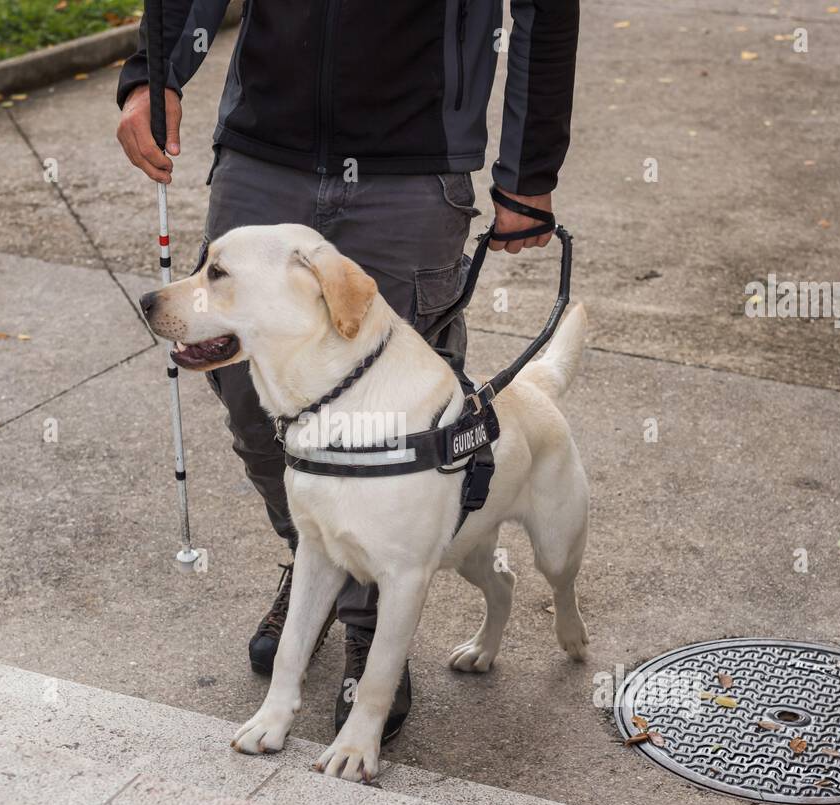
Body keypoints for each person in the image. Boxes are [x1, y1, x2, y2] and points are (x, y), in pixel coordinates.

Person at [117, 0, 579, 742]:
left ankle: (374, 627)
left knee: (405, 430)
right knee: (252, 402)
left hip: (413, 159)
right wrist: (154, 71)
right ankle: (318, 555)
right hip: (265, 145)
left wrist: (529, 166)